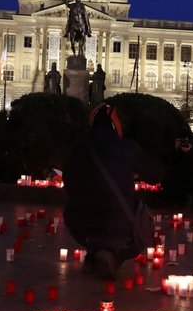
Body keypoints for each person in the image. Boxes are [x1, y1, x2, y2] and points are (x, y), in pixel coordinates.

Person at [63, 103, 163, 279]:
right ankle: (114, 256)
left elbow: (68, 183)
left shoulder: (78, 149)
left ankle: (94, 253)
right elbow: (155, 176)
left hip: (79, 223)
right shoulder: (126, 147)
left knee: (83, 210)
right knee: (143, 218)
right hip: (118, 222)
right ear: (115, 124)